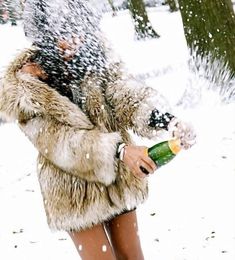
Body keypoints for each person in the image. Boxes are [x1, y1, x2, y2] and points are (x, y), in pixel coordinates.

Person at [0, 0, 196, 259]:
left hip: (118, 177)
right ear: (44, 35)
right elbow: (62, 143)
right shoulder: (27, 87)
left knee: (132, 257)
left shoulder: (96, 54)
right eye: (62, 34)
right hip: (74, 193)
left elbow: (125, 94)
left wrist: (166, 120)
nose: (73, 41)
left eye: (77, 30)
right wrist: (120, 150)